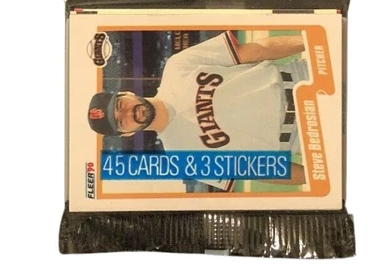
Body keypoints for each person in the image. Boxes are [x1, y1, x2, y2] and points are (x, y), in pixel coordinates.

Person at [87, 32, 309, 190]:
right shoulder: (183, 160)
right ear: (126, 133)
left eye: (120, 105)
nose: (128, 113)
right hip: (303, 138)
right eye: (121, 122)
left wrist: (312, 40)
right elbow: (262, 170)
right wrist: (313, 176)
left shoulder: (177, 66)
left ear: (126, 93)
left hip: (301, 78)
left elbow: (256, 51)